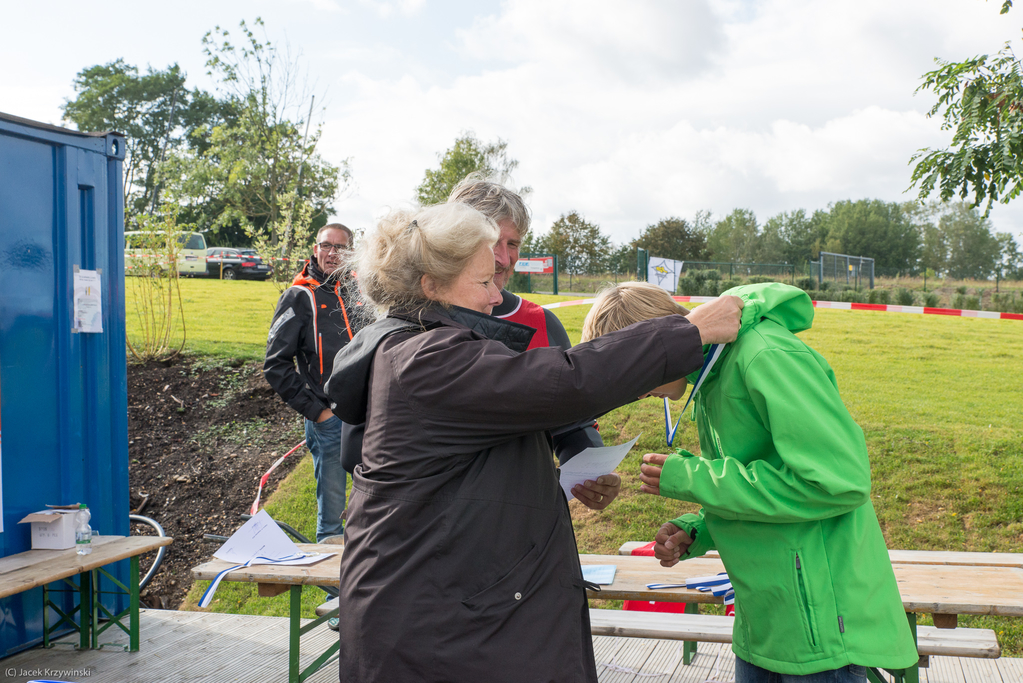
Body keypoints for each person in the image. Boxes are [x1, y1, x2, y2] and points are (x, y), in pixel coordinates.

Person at [324, 203, 742, 682]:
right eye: (483, 282)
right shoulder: (427, 361)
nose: (495, 296)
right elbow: (566, 381)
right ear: (431, 285)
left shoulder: (416, 351)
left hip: (447, 617)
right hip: (441, 636)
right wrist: (688, 330)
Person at [580, 281, 919, 682]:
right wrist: (701, 529)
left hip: (819, 634)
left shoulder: (764, 356)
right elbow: (763, 479)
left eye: (633, 371)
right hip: (766, 626)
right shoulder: (714, 371)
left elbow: (838, 483)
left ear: (665, 341)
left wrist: (694, 477)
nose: (633, 393)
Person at [447, 175, 618, 510]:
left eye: (513, 244)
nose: (504, 259)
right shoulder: (412, 321)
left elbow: (572, 422)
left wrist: (591, 470)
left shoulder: (540, 322)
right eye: (493, 241)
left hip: (523, 526)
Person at [264, 223, 366, 543]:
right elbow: (275, 365)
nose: (333, 253)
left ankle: (362, 588)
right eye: (327, 246)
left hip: (369, 420)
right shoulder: (298, 296)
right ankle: (329, 593)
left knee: (372, 510)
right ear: (316, 249)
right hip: (330, 421)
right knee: (332, 522)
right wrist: (317, 412)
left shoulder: (360, 293)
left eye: (341, 248)